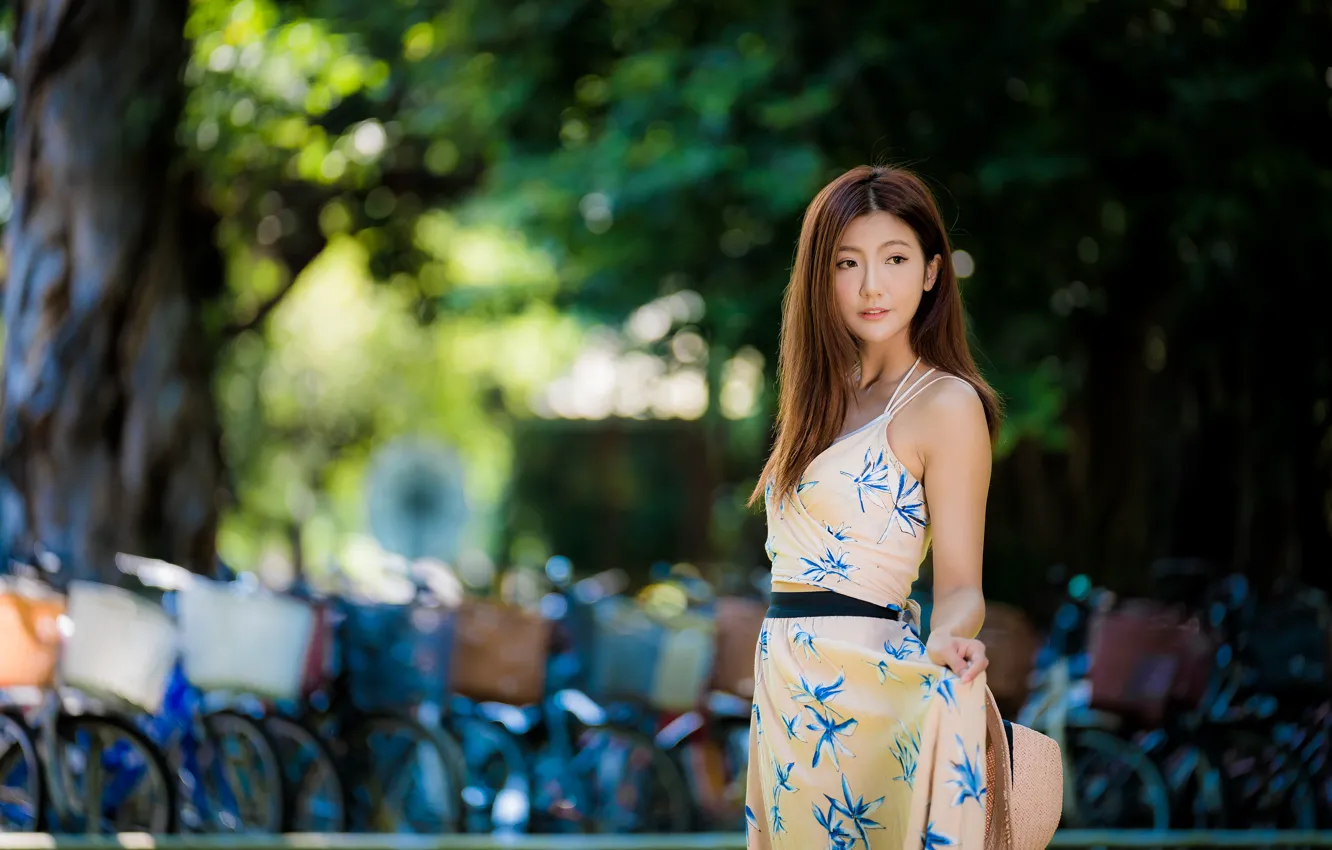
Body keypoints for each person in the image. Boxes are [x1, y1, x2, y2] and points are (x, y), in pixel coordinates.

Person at [744, 165, 1002, 850]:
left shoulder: (946, 405)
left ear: (931, 273)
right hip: (786, 687)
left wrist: (950, 638)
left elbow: (960, 587)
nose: (870, 286)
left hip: (868, 692)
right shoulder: (817, 402)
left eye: (894, 259)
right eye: (847, 263)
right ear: (819, 277)